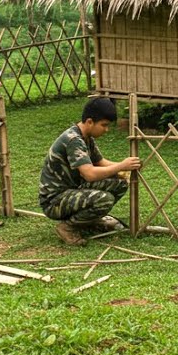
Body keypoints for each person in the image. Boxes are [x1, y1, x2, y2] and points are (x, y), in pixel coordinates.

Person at [39, 96, 142, 245]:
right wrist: (121, 166)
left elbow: (101, 163)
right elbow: (90, 174)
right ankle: (68, 227)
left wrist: (127, 167)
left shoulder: (86, 137)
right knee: (104, 199)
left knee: (120, 183)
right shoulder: (74, 140)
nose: (106, 130)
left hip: (72, 190)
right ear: (89, 122)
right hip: (54, 200)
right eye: (104, 125)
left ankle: (89, 220)